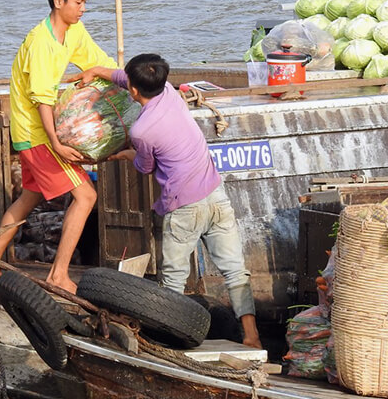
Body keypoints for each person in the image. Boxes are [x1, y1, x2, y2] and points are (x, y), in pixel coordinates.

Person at [73, 54, 262, 349]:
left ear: (134, 90)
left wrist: (123, 154)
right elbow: (125, 79)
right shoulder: (171, 94)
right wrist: (97, 70)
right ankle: (251, 336)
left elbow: (145, 167)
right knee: (235, 270)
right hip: (215, 194)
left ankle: (167, 343)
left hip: (185, 206)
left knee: (172, 279)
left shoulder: (141, 130)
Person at [0, 0, 117, 293]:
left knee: (28, 199)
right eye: (78, 2)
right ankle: (58, 274)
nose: (83, 9)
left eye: (85, 3)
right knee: (86, 196)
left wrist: (135, 82)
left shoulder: (73, 32)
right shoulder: (41, 41)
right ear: (59, 1)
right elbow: (41, 99)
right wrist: (56, 143)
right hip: (37, 134)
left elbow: (100, 62)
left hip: (37, 133)